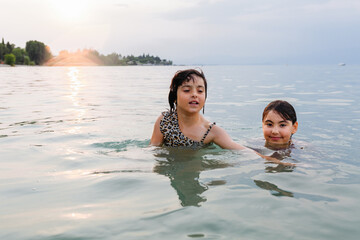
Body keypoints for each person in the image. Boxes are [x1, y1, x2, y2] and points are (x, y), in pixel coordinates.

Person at [150, 69, 247, 150]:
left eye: (200, 91)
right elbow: (152, 150)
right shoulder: (164, 121)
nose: (194, 94)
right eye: (187, 90)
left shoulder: (210, 131)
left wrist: (262, 159)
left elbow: (242, 152)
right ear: (174, 97)